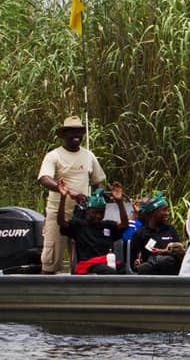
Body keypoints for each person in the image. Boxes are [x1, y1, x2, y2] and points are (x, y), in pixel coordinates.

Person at [37, 116, 106, 275]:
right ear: (63, 134)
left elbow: (98, 181)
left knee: (82, 262)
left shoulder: (89, 156)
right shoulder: (54, 155)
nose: (76, 135)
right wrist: (69, 191)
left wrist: (96, 198)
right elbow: (44, 178)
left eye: (79, 132)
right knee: (51, 261)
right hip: (58, 214)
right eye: (71, 131)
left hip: (82, 216)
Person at [56, 181, 129, 274]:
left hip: (107, 262)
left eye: (101, 213)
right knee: (108, 271)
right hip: (88, 265)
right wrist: (63, 198)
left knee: (123, 270)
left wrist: (119, 201)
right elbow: (61, 222)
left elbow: (124, 224)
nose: (98, 216)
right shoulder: (79, 225)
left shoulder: (107, 225)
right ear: (88, 211)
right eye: (94, 212)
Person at [129, 192, 184, 275]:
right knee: (145, 268)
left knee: (166, 260)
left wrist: (164, 252)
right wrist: (136, 263)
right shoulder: (140, 233)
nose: (167, 213)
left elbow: (180, 252)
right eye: (164, 210)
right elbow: (133, 262)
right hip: (150, 272)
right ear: (154, 212)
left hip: (171, 269)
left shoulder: (170, 230)